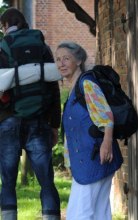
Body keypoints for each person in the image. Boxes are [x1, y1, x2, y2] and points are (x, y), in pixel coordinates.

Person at [0, 8, 61, 220]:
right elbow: (53, 86)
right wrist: (54, 124)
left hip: (8, 122)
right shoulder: (42, 47)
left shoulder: (2, 47)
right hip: (40, 121)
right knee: (46, 180)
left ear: (6, 25)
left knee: (8, 181)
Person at [55, 41, 123, 220]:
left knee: (78, 214)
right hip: (89, 158)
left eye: (66, 58)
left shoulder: (86, 85)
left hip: (95, 158)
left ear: (78, 61)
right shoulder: (74, 90)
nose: (61, 63)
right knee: (100, 213)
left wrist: (107, 144)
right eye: (58, 59)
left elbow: (105, 116)